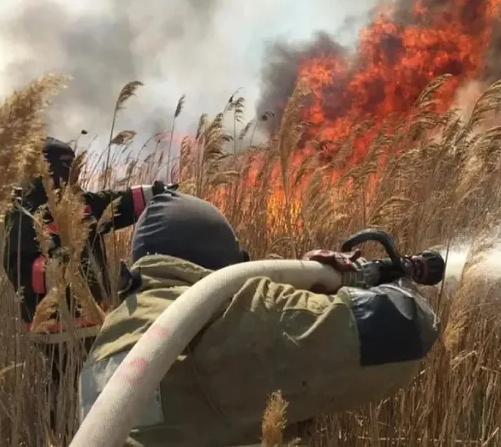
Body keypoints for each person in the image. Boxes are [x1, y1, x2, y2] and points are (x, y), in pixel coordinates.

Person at [78, 190, 442, 446]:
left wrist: (313, 295)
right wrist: (397, 281)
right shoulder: (227, 314)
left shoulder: (110, 341)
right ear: (229, 264)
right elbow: (405, 328)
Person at [2, 136, 175, 428]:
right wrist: (72, 273)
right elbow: (19, 268)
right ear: (43, 168)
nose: (71, 174)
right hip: (55, 329)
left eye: (73, 166)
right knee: (64, 387)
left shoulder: (79, 203)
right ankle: (62, 430)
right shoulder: (25, 212)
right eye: (64, 166)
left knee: (96, 386)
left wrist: (157, 192)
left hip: (93, 323)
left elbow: (117, 202)